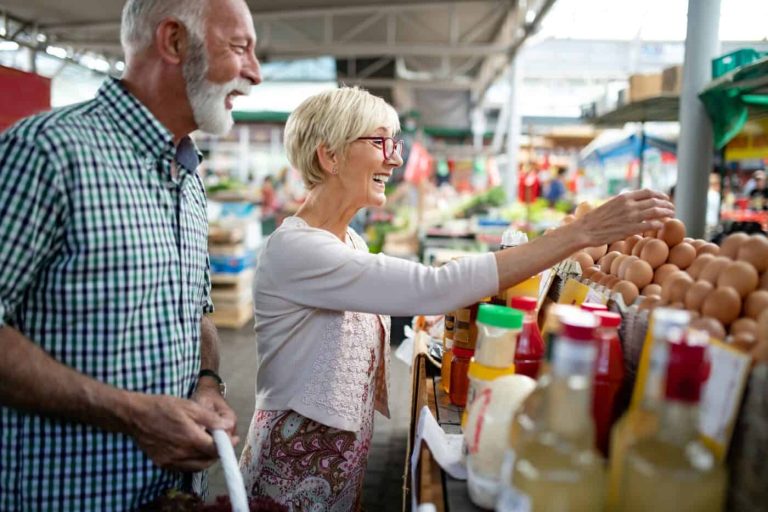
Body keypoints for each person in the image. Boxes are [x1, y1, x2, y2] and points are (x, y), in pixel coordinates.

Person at [238, 87, 674, 511]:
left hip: (335, 461)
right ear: (329, 155)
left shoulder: (348, 239)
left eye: (395, 142)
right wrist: (578, 234)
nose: (395, 156)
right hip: (292, 467)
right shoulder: (297, 250)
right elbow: (432, 288)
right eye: (379, 141)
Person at [0, 0, 261, 509]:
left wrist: (208, 383)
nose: (253, 72)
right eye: (239, 48)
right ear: (174, 41)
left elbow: (197, 311)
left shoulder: (186, 176)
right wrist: (131, 414)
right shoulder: (46, 154)